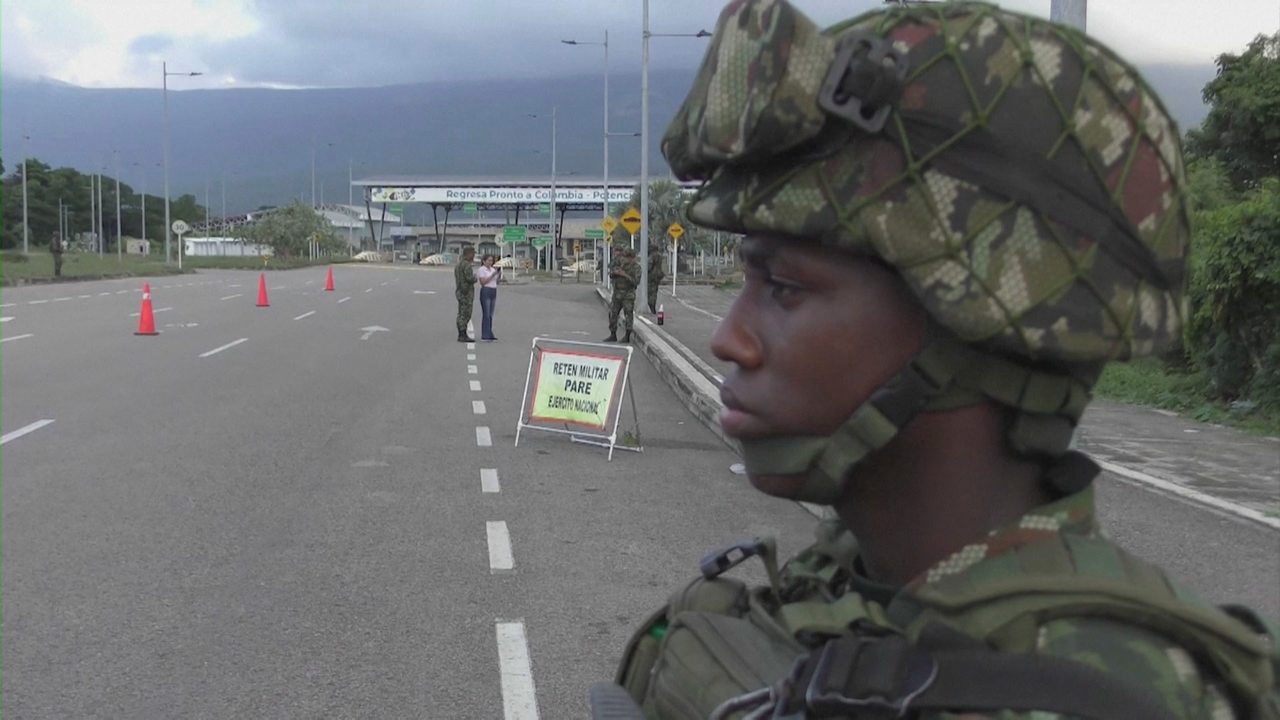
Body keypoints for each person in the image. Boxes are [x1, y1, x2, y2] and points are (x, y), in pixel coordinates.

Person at [600, 1, 1280, 719]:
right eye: (749, 280)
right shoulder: (841, 591)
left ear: (979, 324)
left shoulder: (1116, 697)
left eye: (786, 288)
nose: (729, 338)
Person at [606, 246, 640, 343]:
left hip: (628, 295)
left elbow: (635, 282)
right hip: (617, 293)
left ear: (631, 258)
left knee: (628, 314)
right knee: (613, 313)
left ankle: (627, 335)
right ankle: (613, 334)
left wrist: (624, 274)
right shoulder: (621, 264)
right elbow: (611, 273)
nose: (624, 259)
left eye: (626, 257)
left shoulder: (636, 268)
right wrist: (615, 273)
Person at [454, 246, 477, 342]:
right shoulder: (466, 265)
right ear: (469, 254)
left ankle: (461, 332)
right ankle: (462, 334)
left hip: (460, 291)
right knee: (465, 313)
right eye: (473, 254)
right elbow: (470, 278)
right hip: (466, 292)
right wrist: (475, 278)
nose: (474, 256)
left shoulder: (458, 264)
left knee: (461, 313)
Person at [476, 254, 501, 342]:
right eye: (489, 260)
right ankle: (485, 335)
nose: (490, 262)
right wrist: (492, 275)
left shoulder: (493, 269)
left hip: (493, 291)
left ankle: (490, 333)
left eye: (491, 261)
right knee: (486, 314)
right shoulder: (481, 270)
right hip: (486, 290)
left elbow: (496, 282)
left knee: (490, 314)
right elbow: (483, 282)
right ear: (484, 261)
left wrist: (498, 275)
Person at [647, 244, 666, 314]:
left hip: (652, 275)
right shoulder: (660, 255)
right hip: (658, 275)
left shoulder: (652, 256)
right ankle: (653, 304)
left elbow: (649, 265)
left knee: (650, 290)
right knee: (654, 290)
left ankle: (651, 304)